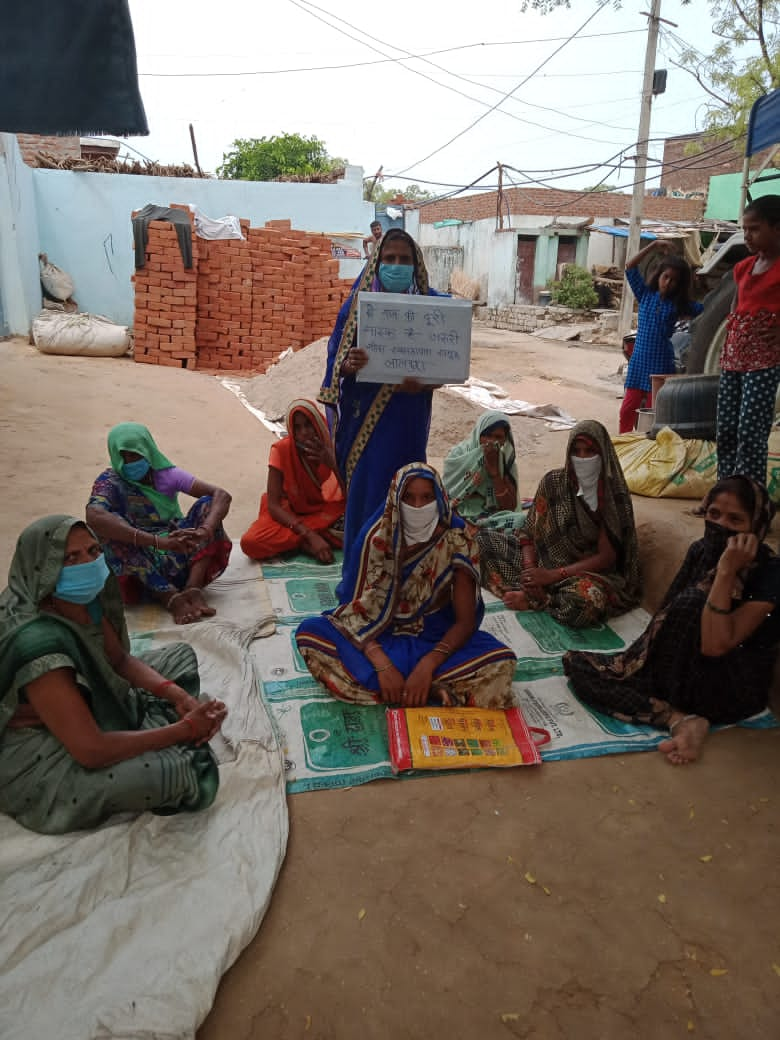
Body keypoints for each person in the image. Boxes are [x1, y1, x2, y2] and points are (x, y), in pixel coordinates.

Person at [0, 516, 227, 834]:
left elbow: (119, 660)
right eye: (70, 558)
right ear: (42, 566)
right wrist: (185, 729)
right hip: (45, 749)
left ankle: (149, 729)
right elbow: (91, 751)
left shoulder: (78, 598)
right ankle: (156, 736)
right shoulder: (39, 644)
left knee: (181, 657)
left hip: (85, 698)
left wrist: (179, 696)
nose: (89, 564)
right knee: (181, 774)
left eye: (93, 551)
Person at [563, 476, 778, 765]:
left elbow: (717, 645)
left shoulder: (770, 574)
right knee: (581, 668)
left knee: (693, 604)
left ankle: (682, 712)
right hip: (678, 675)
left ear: (756, 526)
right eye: (714, 514)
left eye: (735, 520)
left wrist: (727, 570)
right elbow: (665, 619)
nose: (720, 525)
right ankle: (677, 718)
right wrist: (634, 663)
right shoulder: (701, 551)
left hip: (730, 687)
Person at [295, 463, 517, 708]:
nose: (418, 507)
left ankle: (402, 688)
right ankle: (427, 691)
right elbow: (352, 611)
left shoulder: (456, 538)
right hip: (379, 637)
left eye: (427, 498)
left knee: (500, 664)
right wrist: (381, 662)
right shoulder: (377, 538)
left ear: (440, 499)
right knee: (311, 634)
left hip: (436, 641)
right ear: (395, 500)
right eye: (409, 498)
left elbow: (465, 621)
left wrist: (427, 665)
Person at [318, 228, 444, 559]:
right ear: (376, 262)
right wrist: (348, 365)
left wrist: (426, 381)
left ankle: (405, 575)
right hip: (366, 427)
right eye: (390, 259)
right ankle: (361, 576)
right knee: (369, 494)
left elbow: (445, 363)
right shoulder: (355, 309)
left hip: (407, 422)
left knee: (410, 494)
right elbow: (336, 361)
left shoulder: (434, 310)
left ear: (415, 265)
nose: (397, 266)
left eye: (404, 259)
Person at [478, 420, 641, 628]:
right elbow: (528, 532)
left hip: (584, 574)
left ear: (603, 453)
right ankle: (530, 590)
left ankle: (539, 600)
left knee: (587, 601)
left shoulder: (612, 495)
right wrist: (531, 572)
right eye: (577, 451)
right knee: (483, 540)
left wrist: (552, 576)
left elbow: (606, 557)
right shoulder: (554, 482)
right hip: (542, 563)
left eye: (590, 451)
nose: (582, 458)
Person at [86, 423, 232, 625]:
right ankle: (170, 597)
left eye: (136, 454)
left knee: (208, 505)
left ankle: (193, 588)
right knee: (109, 531)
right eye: (125, 456)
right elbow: (94, 515)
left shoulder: (166, 475)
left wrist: (204, 531)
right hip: (142, 566)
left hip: (180, 551)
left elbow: (221, 495)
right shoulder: (110, 482)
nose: (130, 462)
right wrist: (156, 542)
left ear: (148, 450)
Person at [716, 195, 780, 484]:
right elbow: (735, 309)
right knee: (726, 429)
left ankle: (750, 501)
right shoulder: (743, 268)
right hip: (733, 361)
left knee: (750, 433)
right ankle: (724, 493)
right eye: (744, 229)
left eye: (754, 229)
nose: (747, 236)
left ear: (777, 227)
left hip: (764, 363)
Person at [240, 399, 345, 563]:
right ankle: (307, 543)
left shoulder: (333, 446)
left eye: (308, 425)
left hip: (325, 513)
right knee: (251, 543)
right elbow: (274, 505)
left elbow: (350, 493)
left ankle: (302, 543)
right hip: (289, 513)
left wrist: (332, 463)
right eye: (297, 427)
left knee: (357, 529)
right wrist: (308, 534)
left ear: (318, 423)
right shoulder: (281, 450)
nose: (304, 432)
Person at [619, 241, 703, 433]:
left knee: (652, 416)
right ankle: (623, 447)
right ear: (658, 275)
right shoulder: (645, 294)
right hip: (638, 363)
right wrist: (653, 245)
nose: (668, 283)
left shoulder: (679, 304)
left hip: (660, 366)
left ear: (679, 284)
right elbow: (630, 266)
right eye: (665, 277)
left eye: (673, 280)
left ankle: (647, 451)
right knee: (627, 411)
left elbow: (708, 310)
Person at [443, 410, 525, 531]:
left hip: (490, 516)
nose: (490, 441)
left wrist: (495, 473)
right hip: (459, 513)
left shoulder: (505, 463)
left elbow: (509, 507)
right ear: (478, 433)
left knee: (521, 521)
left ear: (504, 440)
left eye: (498, 437)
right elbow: (448, 496)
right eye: (486, 435)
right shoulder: (458, 456)